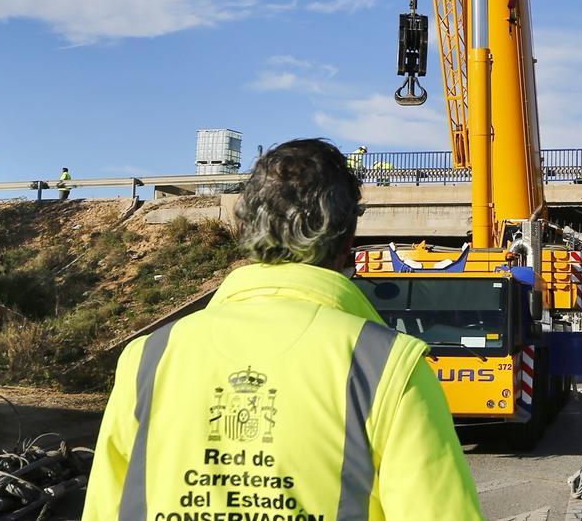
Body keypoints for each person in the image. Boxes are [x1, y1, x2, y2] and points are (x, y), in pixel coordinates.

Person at [83, 139, 482, 520]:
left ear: (245, 228)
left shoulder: (148, 358)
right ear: (349, 239)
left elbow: (105, 507)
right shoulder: (389, 368)